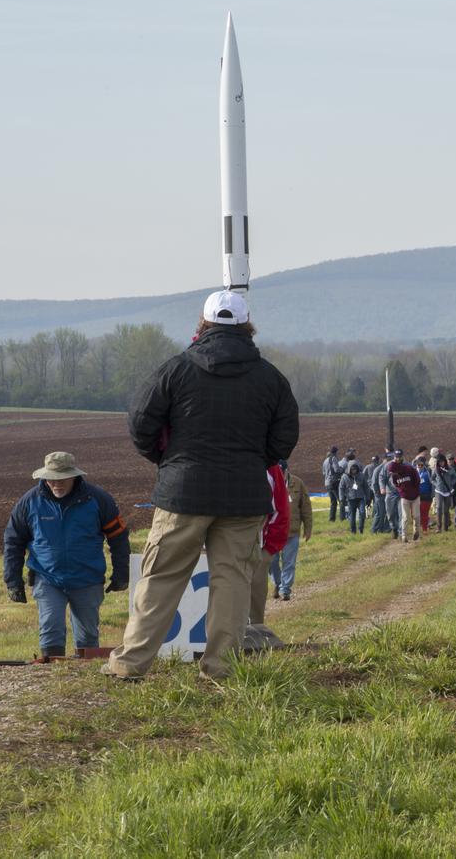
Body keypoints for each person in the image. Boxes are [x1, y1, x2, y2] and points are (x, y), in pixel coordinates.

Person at [105, 289, 299, 681]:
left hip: (183, 492)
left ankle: (130, 664)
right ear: (247, 326)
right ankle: (221, 667)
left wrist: (168, 461)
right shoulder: (271, 378)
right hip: (244, 496)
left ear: (203, 323)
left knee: (162, 576)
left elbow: (140, 422)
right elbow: (284, 439)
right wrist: (252, 462)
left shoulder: (175, 370)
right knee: (232, 580)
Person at [3, 451, 131, 660]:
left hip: (88, 578)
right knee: (51, 628)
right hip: (47, 577)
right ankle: (51, 676)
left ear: (74, 476)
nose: (56, 484)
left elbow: (118, 536)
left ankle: (83, 679)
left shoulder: (98, 499)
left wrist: (122, 573)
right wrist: (12, 581)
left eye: (62, 479)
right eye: (51, 479)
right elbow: (13, 541)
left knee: (88, 635)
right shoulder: (29, 502)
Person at [249, 461, 290, 625]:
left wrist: (268, 550)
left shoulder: (270, 467)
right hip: (219, 546)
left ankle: (255, 638)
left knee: (255, 599)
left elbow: (281, 509)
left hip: (258, 547)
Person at [269, 460, 312, 601]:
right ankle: (277, 583)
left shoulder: (297, 484)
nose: (280, 475)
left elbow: (305, 507)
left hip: (291, 531)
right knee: (271, 562)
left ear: (287, 470)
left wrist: (308, 528)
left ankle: (285, 590)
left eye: (282, 472)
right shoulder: (269, 481)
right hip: (273, 532)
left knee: (289, 562)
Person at [386, 450, 421, 543]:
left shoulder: (409, 468)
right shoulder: (394, 473)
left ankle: (416, 531)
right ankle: (404, 536)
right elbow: (395, 483)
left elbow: (417, 479)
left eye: (399, 457)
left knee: (416, 516)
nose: (398, 458)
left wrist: (414, 489)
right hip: (404, 497)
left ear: (402, 457)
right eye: (396, 457)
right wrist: (401, 490)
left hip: (415, 496)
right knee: (405, 517)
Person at [340, 460, 370, 533]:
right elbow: (341, 488)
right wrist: (342, 499)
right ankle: (353, 530)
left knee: (362, 513)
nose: (354, 470)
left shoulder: (361, 475)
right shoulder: (344, 477)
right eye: (352, 469)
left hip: (360, 498)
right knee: (352, 516)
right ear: (349, 469)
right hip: (350, 499)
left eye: (355, 469)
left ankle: (361, 529)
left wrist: (368, 498)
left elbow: (366, 487)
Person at [431, 453, 456, 532]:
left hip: (448, 491)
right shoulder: (436, 469)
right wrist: (436, 485)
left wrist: (451, 484)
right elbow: (432, 479)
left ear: (445, 462)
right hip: (439, 491)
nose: (441, 463)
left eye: (442, 461)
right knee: (438, 508)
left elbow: (455, 477)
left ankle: (446, 527)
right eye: (440, 462)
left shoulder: (449, 469)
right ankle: (438, 527)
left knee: (446, 510)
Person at [321, 446, 342, 522]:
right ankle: (342, 518)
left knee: (333, 502)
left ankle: (332, 519)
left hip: (327, 483)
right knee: (341, 500)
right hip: (333, 482)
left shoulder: (325, 460)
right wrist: (341, 469)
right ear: (335, 452)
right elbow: (337, 470)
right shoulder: (334, 459)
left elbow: (323, 473)